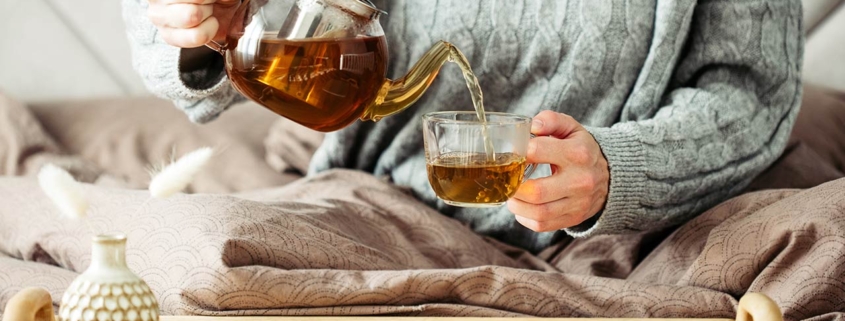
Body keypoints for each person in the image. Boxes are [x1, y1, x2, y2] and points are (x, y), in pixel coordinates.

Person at [123, 0, 803, 252]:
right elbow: (197, 67)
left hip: (617, 238)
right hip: (373, 204)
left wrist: (617, 170)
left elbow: (748, 92)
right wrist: (206, 22)